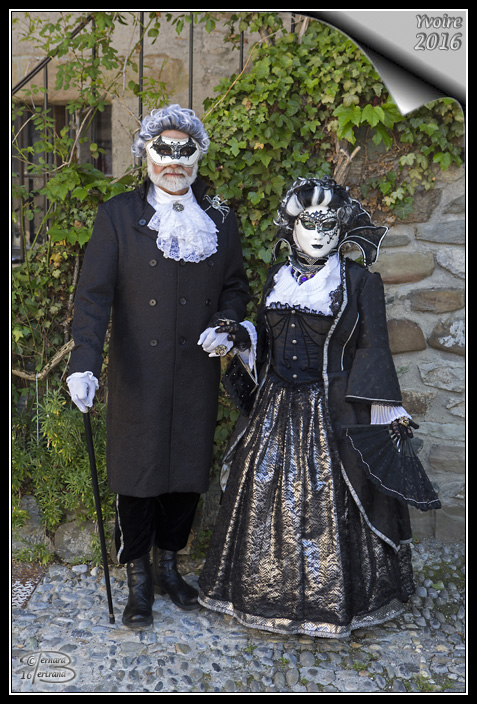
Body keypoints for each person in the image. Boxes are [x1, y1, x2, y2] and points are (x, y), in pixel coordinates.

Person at [198, 175, 440, 639]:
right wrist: (238, 335)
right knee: (262, 493)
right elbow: (266, 338)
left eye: (329, 223)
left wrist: (385, 411)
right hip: (274, 406)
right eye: (309, 222)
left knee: (339, 499)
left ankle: (332, 603)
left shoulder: (359, 282)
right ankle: (263, 594)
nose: (319, 232)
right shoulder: (276, 278)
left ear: (342, 229)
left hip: (333, 409)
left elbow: (372, 347)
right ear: (291, 227)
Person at [67, 104, 250, 629]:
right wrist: (84, 364)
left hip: (195, 369)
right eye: (163, 151)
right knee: (137, 475)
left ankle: (170, 566)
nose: (174, 161)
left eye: (184, 151)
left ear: (198, 156)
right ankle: (138, 578)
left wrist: (227, 323)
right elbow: (93, 298)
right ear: (145, 155)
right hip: (138, 374)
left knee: (186, 474)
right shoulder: (117, 215)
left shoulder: (219, 217)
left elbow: (235, 286)